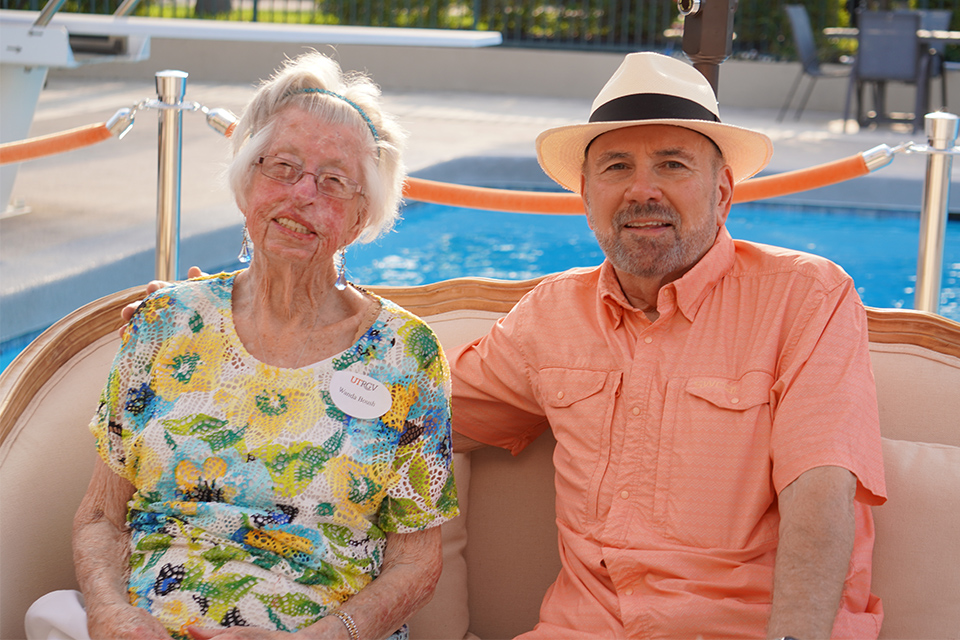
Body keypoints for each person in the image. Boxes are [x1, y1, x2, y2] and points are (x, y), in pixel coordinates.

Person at [450, 52, 886, 638]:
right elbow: (425, 416)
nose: (641, 191)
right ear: (585, 195)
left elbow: (821, 488)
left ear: (723, 191)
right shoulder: (551, 316)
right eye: (615, 166)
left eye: (672, 164)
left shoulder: (807, 297)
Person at [32, 52, 458, 640]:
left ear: (362, 216)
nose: (303, 193)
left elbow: (416, 563)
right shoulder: (165, 325)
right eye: (281, 166)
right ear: (245, 181)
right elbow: (102, 516)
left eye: (334, 180)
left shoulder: (405, 355)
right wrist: (111, 615)